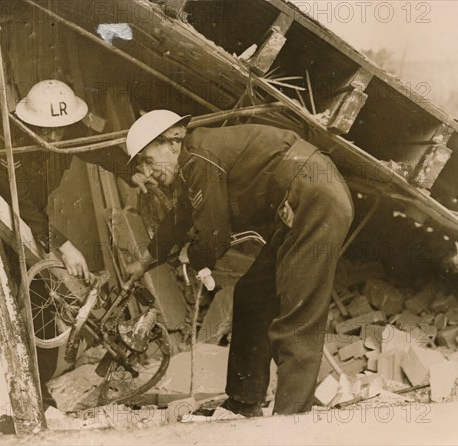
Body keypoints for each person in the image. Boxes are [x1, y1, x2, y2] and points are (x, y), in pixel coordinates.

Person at [125, 110, 354, 416]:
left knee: (299, 313)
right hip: (297, 204)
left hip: (314, 198)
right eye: (141, 165)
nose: (147, 172)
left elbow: (214, 235)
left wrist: (192, 257)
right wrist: (143, 263)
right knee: (252, 296)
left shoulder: (200, 157)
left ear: (173, 141)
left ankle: (291, 418)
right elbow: (179, 218)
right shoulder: (192, 163)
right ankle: (244, 402)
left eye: (149, 161)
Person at [0, 79, 137, 407]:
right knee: (11, 302)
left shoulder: (67, 128)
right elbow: (20, 202)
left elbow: (100, 147)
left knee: (40, 302)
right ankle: (15, 395)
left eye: (60, 131)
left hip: (32, 225)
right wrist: (63, 245)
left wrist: (136, 173)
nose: (53, 137)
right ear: (28, 120)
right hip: (1, 222)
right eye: (46, 130)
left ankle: (40, 392)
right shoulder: (6, 140)